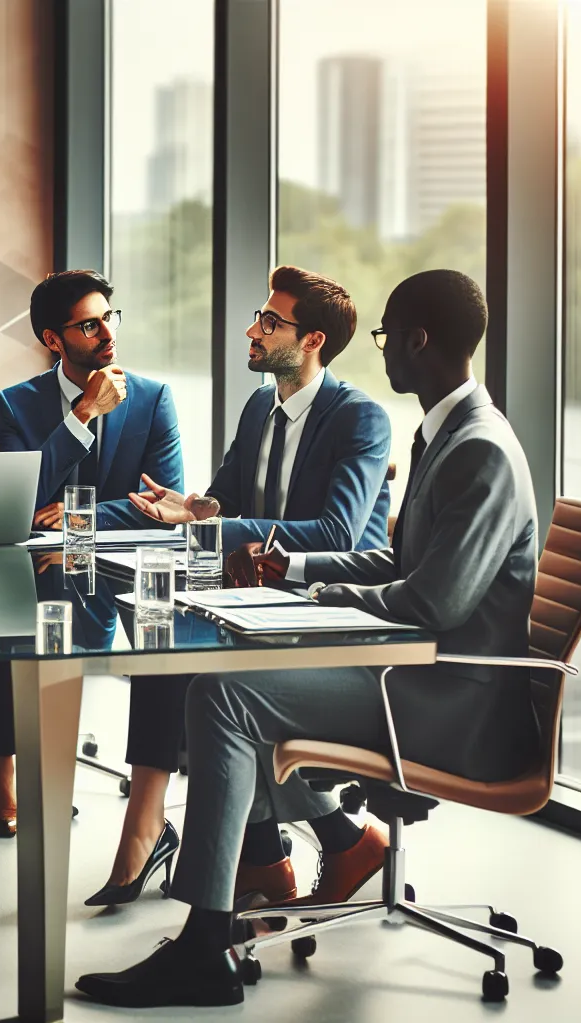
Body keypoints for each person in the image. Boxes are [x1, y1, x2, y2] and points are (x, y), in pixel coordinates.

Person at [77, 269, 539, 1008]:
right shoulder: (447, 433)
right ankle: (273, 869)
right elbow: (399, 561)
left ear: (419, 342)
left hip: (447, 701)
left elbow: (436, 600)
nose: (381, 351)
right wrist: (289, 564)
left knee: (227, 697)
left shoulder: (476, 448)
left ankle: (205, 943)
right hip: (417, 676)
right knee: (225, 684)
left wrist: (320, 588)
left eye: (389, 335)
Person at [103, 265, 395, 911]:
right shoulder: (261, 405)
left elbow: (338, 534)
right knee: (165, 646)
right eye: (259, 317)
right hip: (262, 603)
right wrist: (192, 506)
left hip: (331, 613)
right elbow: (227, 498)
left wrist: (216, 521)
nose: (252, 330)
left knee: (210, 684)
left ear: (312, 339)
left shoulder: (360, 419)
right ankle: (302, 846)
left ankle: (275, 851)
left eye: (270, 321)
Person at [0, 270, 190, 861]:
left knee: (165, 635)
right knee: (2, 614)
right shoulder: (18, 405)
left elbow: (163, 502)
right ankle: (4, 764)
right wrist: (81, 417)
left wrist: (72, 519)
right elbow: (19, 500)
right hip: (43, 566)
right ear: (53, 338)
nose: (106, 333)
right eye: (89, 324)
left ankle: (153, 795)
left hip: (124, 563)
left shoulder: (153, 398)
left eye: (108, 318)